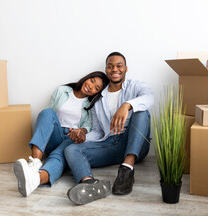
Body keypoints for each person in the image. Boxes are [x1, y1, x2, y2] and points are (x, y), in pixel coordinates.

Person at [65, 52, 154, 205]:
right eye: (110, 66)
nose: (115, 69)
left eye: (119, 66)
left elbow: (149, 97)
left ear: (126, 69)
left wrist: (127, 105)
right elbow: (99, 131)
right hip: (111, 144)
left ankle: (127, 169)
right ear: (106, 70)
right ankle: (91, 185)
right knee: (71, 149)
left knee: (142, 112)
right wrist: (84, 137)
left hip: (135, 143)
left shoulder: (135, 86)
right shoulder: (98, 99)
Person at [13, 71, 109, 197]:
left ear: (97, 93)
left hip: (71, 138)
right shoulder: (62, 91)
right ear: (87, 78)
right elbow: (48, 119)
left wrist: (80, 132)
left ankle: (35, 179)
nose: (91, 87)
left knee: (60, 154)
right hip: (54, 135)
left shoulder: (91, 104)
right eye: (92, 81)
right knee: (47, 112)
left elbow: (87, 126)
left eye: (96, 88)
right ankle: (35, 162)